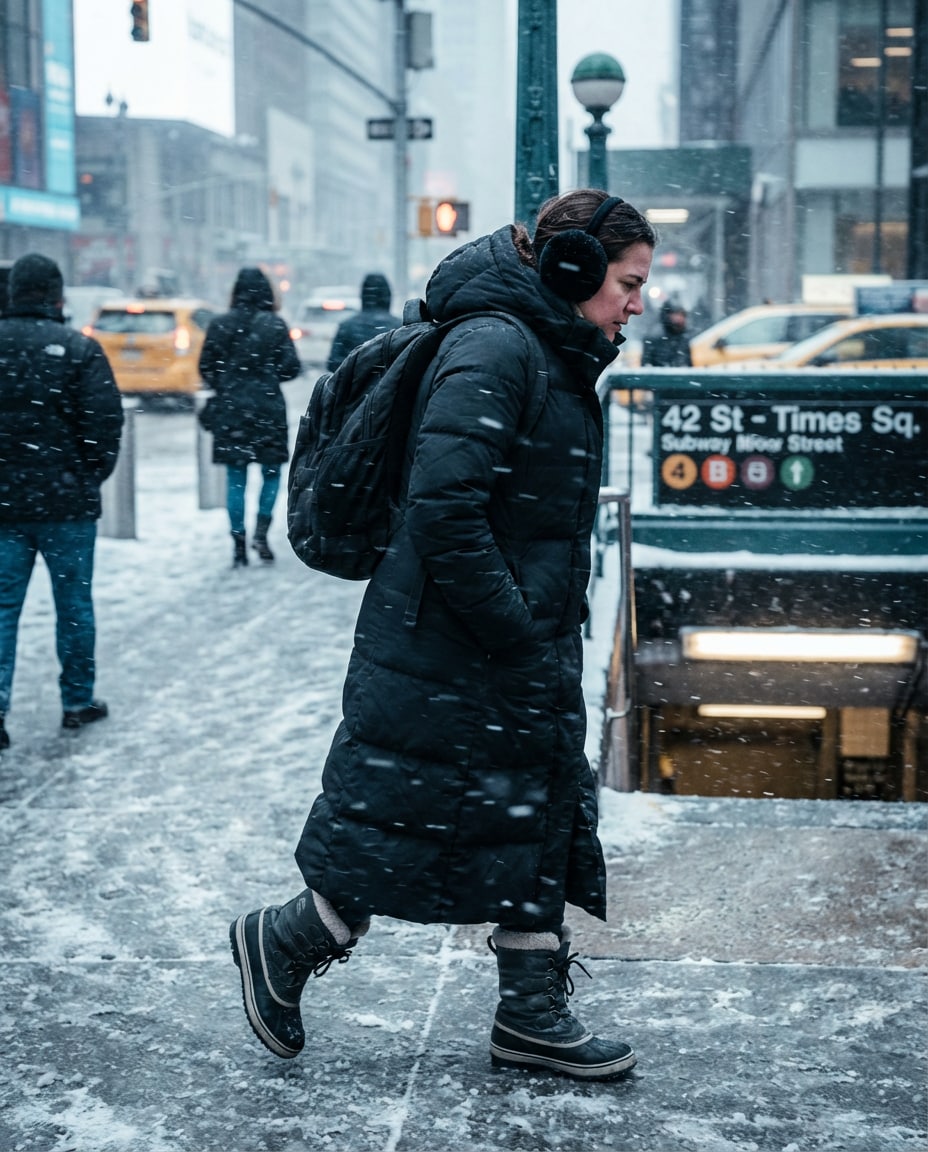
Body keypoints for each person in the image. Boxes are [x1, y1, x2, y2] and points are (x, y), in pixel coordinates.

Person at [229, 190, 656, 1080]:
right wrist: (513, 627)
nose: (638, 302)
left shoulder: (549, 348)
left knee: (532, 807)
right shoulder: (498, 347)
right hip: (456, 642)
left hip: (501, 635)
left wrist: (531, 627)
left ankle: (530, 1013)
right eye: (628, 281)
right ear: (571, 269)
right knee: (402, 818)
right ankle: (287, 938)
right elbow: (443, 509)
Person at [0, 254, 124, 750]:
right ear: (57, 295)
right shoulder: (79, 350)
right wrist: (85, 476)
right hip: (67, 505)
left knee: (3, 607)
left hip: (4, 506)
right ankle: (77, 701)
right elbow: (104, 427)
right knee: (73, 605)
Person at [198, 267, 301, 567]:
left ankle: (238, 541)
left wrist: (227, 382)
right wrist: (267, 375)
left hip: (231, 409)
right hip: (268, 408)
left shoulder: (219, 325)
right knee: (271, 473)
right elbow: (291, 367)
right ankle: (261, 531)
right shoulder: (275, 325)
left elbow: (206, 367)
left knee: (236, 477)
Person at [326, 272, 401, 371]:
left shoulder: (347, 327)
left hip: (354, 384)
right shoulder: (400, 327)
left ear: (363, 295)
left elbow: (334, 363)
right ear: (388, 296)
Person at [641, 298, 692, 367]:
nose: (680, 318)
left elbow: (688, 365)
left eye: (682, 315)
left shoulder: (684, 337)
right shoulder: (654, 337)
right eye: (677, 314)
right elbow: (646, 366)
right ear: (667, 315)